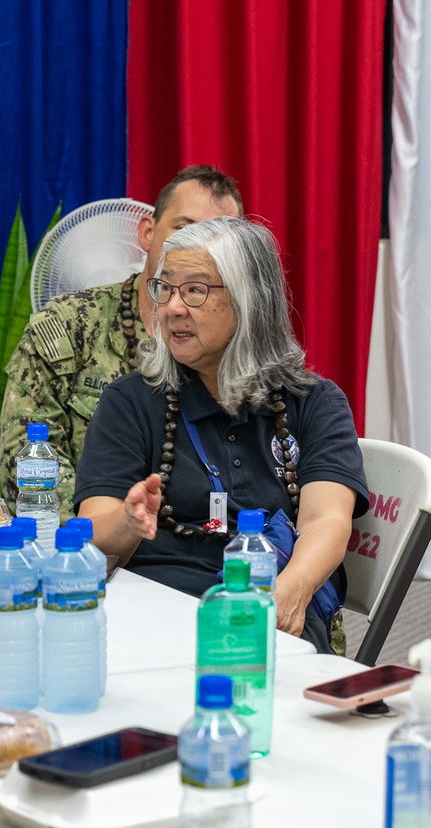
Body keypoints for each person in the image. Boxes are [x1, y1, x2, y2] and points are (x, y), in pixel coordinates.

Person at [74, 217, 369, 653]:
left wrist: (289, 592)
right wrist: (128, 520)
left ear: (250, 301)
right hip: (153, 612)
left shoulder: (313, 402)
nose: (173, 307)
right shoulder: (132, 401)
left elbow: (326, 520)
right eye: (166, 288)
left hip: (264, 611)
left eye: (195, 290)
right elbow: (94, 528)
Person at [0, 164, 244, 507]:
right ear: (147, 232)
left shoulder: (239, 341)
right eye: (183, 229)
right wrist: (105, 529)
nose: (196, 250)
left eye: (214, 239)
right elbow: (26, 461)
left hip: (202, 543)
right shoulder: (67, 327)